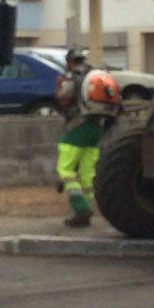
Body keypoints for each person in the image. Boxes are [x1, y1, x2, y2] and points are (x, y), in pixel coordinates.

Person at [54, 49, 105, 227]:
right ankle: (87, 211)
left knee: (65, 170)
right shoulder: (96, 73)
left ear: (69, 61)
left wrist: (60, 89)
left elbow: (65, 96)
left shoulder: (73, 75)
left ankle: (81, 208)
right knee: (87, 173)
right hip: (97, 127)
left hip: (78, 125)